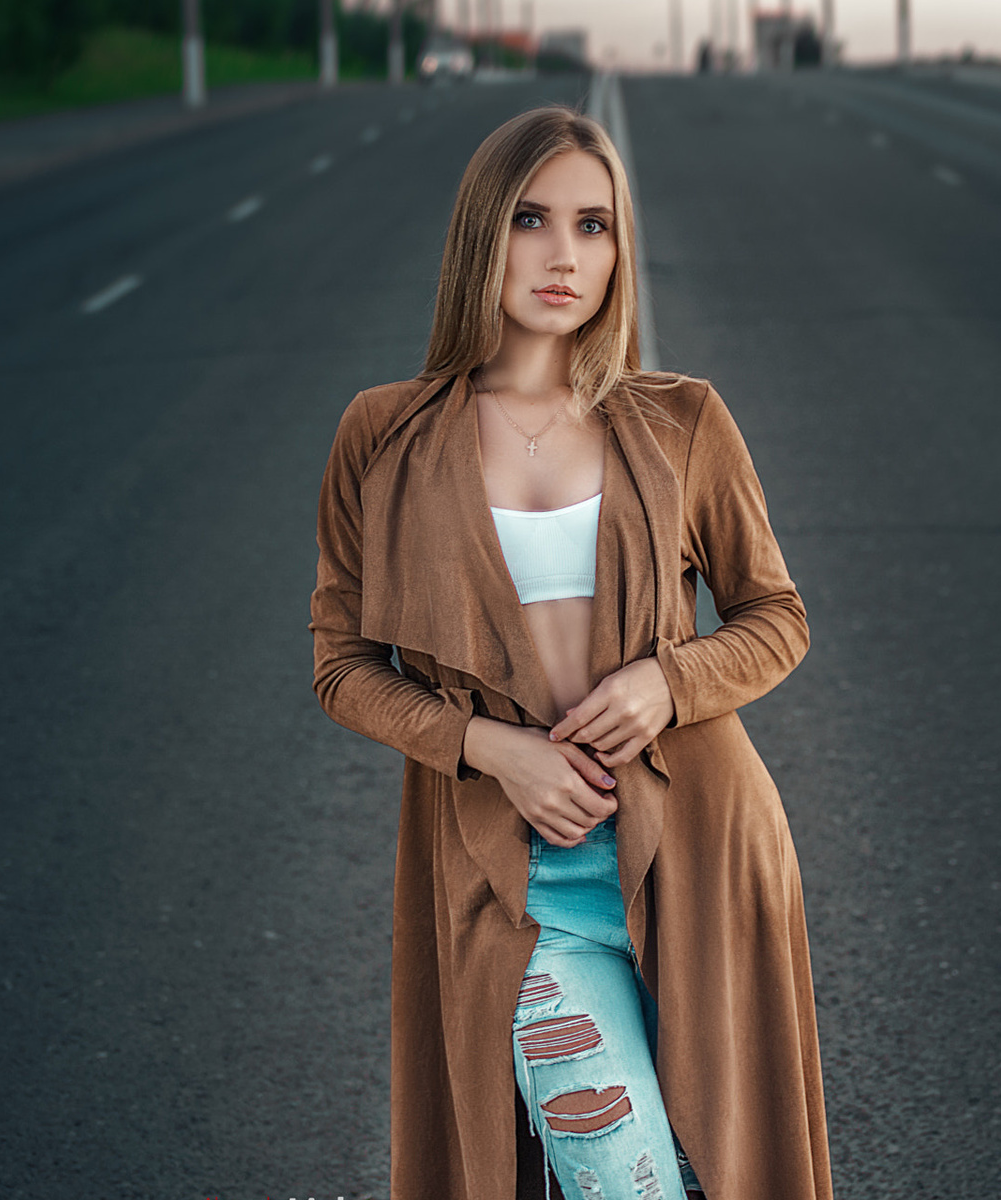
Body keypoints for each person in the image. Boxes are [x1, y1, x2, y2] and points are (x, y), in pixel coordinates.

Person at [310, 104, 833, 1200]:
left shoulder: (681, 419)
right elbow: (341, 662)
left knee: (723, 1172)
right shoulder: (386, 433)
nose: (564, 254)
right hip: (520, 889)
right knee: (622, 1177)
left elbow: (777, 617)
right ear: (479, 235)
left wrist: (667, 682)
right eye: (533, 219)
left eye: (594, 226)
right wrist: (487, 748)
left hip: (700, 852)